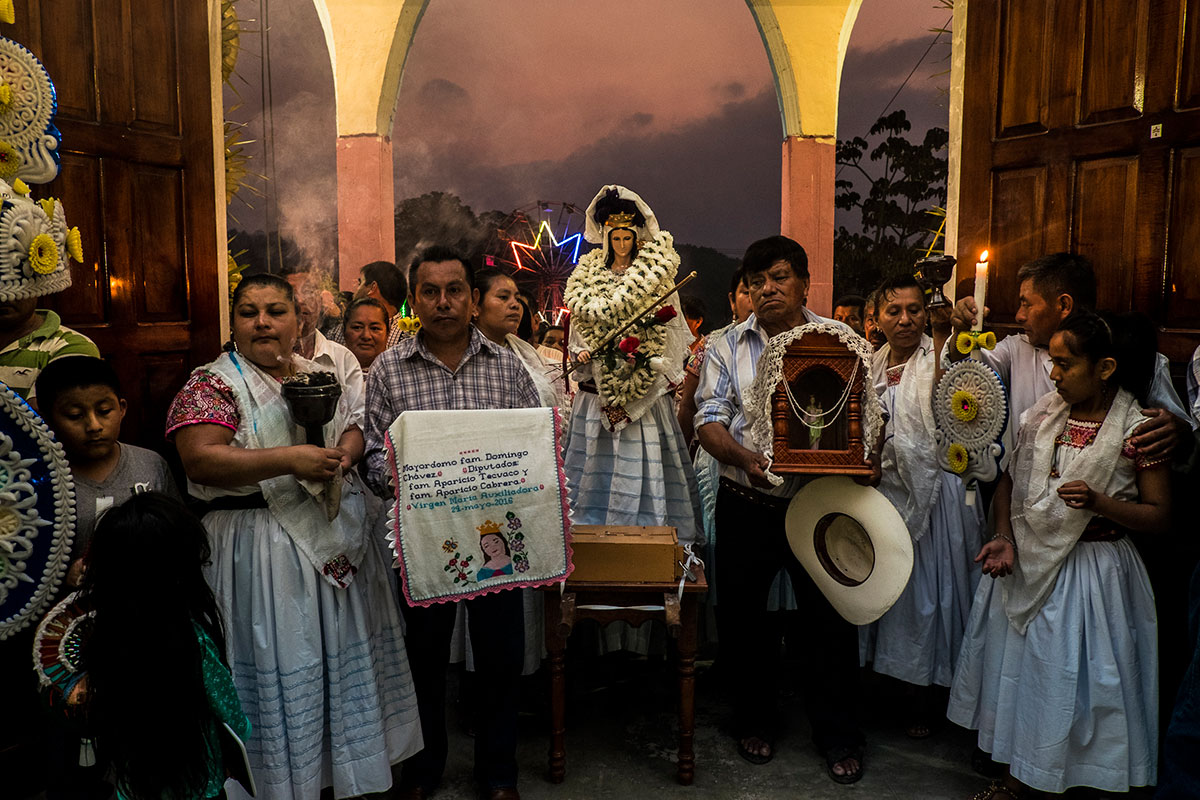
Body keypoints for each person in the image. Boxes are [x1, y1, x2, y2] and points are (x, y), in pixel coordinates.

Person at [167, 273, 422, 800]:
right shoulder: (213, 383)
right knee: (284, 655)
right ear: (233, 323)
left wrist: (344, 455)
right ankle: (282, 781)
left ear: (299, 322)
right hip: (258, 551)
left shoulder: (315, 375)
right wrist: (292, 459)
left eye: (274, 311)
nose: (262, 322)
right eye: (248, 312)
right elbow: (199, 457)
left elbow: (355, 424)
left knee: (338, 660)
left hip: (332, 542)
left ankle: (338, 774)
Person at [947, 310, 1169, 798]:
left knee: (1081, 684)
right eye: (1052, 361)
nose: (1053, 373)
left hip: (1096, 573)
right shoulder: (1042, 415)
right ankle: (1016, 779)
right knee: (1028, 680)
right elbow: (1008, 479)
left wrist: (1100, 502)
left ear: (1105, 368)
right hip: (1027, 564)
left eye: (1066, 364)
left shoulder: (1137, 428)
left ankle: (1081, 781)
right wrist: (1003, 534)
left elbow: (1158, 515)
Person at [363, 246, 539, 800]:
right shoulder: (390, 369)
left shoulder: (507, 365)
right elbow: (370, 453)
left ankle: (498, 773)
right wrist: (415, 483)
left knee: (500, 657)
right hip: (424, 539)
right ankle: (423, 771)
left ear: (471, 297)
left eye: (455, 290)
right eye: (431, 292)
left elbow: (536, 444)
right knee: (424, 658)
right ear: (413, 301)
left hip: (498, 539)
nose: (444, 303)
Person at [694, 234, 865, 782]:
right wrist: (745, 458)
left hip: (819, 501)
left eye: (779, 277)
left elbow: (866, 413)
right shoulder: (722, 345)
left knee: (829, 620)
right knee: (743, 619)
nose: (767, 289)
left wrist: (865, 455)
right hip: (746, 499)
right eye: (756, 282)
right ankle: (755, 720)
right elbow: (708, 420)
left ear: (804, 283)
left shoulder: (837, 340)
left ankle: (837, 733)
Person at [36, 492, 251, 800]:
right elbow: (227, 707)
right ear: (181, 570)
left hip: (133, 782)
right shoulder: (192, 639)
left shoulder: (103, 638)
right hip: (197, 780)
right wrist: (239, 739)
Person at [856, 275, 982, 737]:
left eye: (914, 310)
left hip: (939, 494)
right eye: (894, 311)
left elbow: (959, 400)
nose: (905, 320)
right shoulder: (869, 364)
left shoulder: (945, 355)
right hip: (883, 494)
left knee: (934, 596)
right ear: (877, 319)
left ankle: (928, 695)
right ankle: (886, 686)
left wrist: (952, 333)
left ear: (926, 314)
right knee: (890, 594)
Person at [947, 252, 1190, 464]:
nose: (1019, 316)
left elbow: (1181, 432)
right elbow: (965, 367)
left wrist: (1179, 430)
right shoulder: (1015, 349)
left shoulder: (1137, 355)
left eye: (1026, 304)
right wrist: (961, 332)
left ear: (1064, 304)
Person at [562, 185, 700, 547]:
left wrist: (642, 371)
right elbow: (578, 328)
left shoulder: (658, 279)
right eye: (615, 237)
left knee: (645, 488)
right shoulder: (585, 278)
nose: (622, 244)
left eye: (627, 237)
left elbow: (671, 338)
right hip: (593, 399)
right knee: (589, 482)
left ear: (636, 238)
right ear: (606, 239)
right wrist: (581, 353)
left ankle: (650, 557)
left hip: (645, 402)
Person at [35, 356, 180, 590]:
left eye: (104, 411)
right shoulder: (38, 482)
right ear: (47, 419)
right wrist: (63, 576)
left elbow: (178, 540)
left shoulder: (152, 466)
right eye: (74, 415)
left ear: (122, 408)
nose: (94, 426)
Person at [473, 268, 563, 408]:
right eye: (503, 297)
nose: (515, 305)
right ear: (475, 305)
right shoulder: (461, 353)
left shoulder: (526, 353)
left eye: (517, 298)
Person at [343, 297, 390, 372]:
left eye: (374, 328)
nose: (366, 336)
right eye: (357, 327)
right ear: (344, 332)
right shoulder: (332, 369)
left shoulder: (398, 370)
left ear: (388, 333)